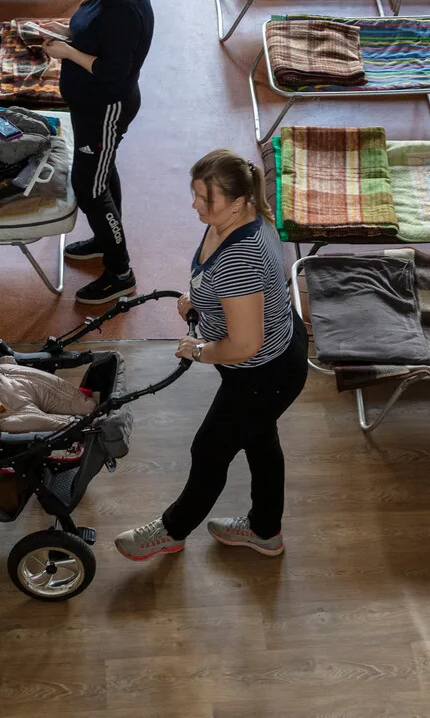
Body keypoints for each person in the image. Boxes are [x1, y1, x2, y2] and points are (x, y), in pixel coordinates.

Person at [114, 150, 308, 562]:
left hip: (263, 373)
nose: (195, 205)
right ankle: (266, 531)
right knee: (259, 439)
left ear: (237, 202)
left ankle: (171, 531)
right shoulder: (242, 218)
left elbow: (244, 345)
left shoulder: (240, 257)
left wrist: (199, 350)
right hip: (275, 354)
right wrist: (201, 301)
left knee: (209, 450)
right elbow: (232, 291)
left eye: (206, 199)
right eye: (196, 195)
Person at [43, 0, 153, 306]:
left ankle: (120, 272)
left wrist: (68, 53)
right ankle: (107, 238)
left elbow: (112, 72)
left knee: (89, 187)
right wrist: (63, 32)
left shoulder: (125, 7)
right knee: (101, 174)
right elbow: (93, 32)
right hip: (89, 105)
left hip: (107, 107)